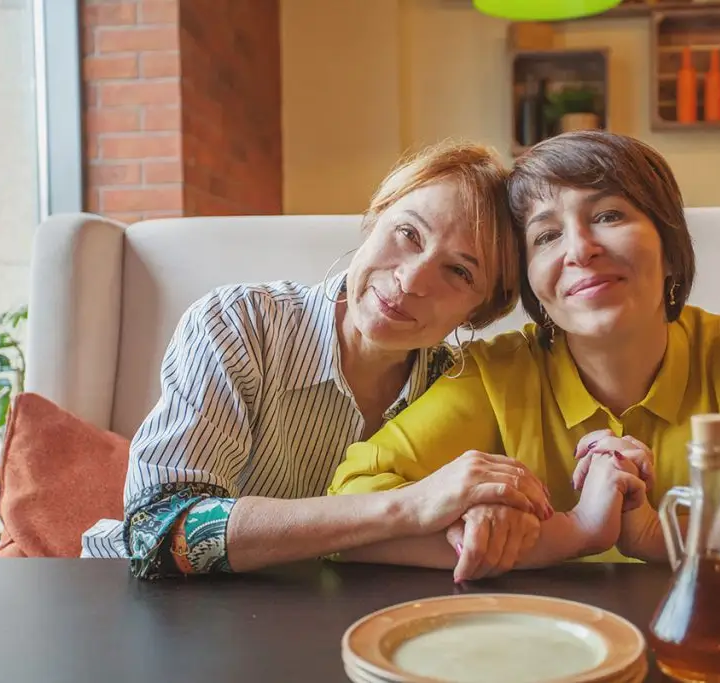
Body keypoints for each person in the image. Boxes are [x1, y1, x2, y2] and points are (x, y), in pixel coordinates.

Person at [328, 130, 720, 583]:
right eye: (546, 235)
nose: (580, 249)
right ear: (533, 285)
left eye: (609, 215)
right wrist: (481, 527)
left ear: (670, 249)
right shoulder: (493, 375)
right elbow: (350, 504)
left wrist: (667, 535)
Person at [80, 140, 554, 579]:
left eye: (458, 271)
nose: (411, 280)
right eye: (409, 232)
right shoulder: (240, 324)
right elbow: (160, 531)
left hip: (315, 620)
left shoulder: (457, 386)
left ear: (480, 311)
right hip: (132, 599)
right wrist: (407, 507)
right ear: (376, 216)